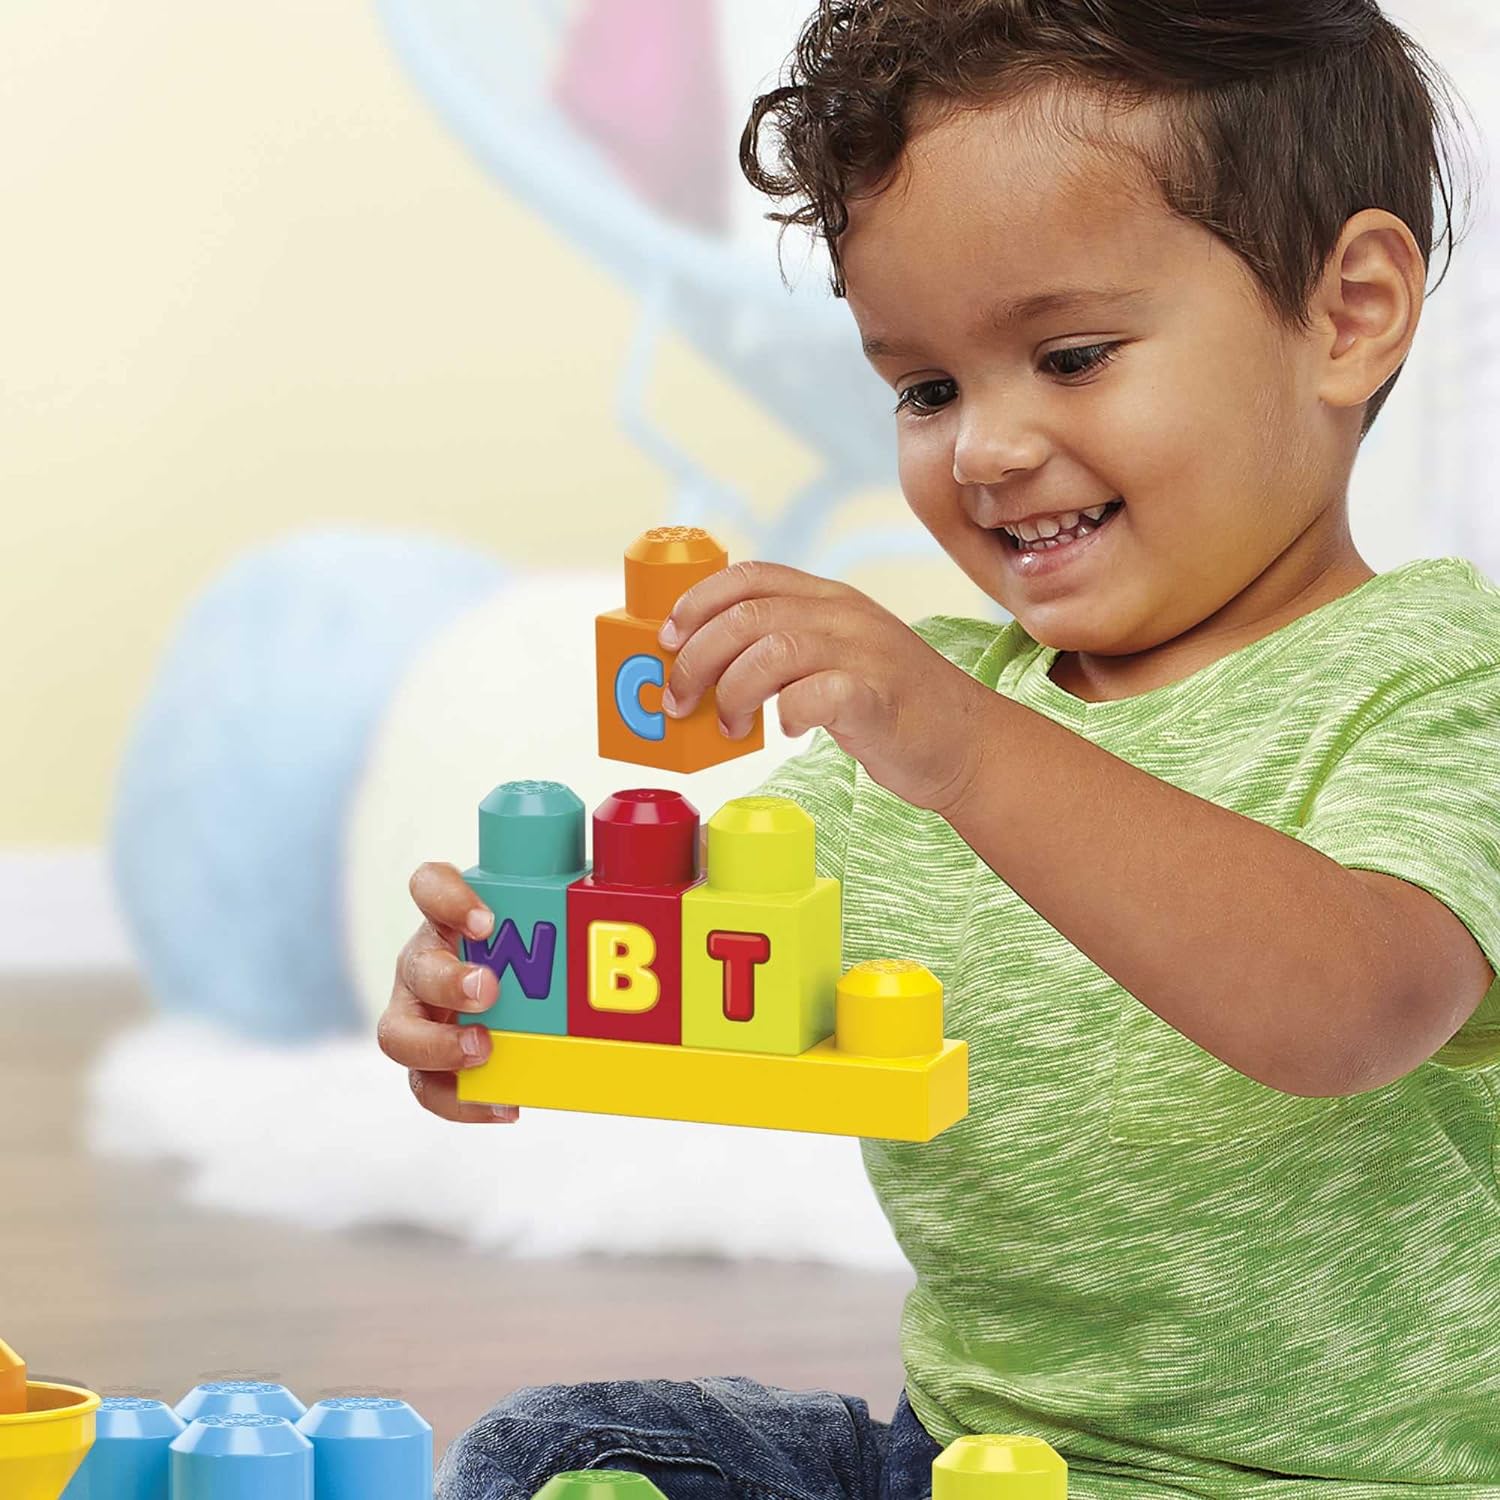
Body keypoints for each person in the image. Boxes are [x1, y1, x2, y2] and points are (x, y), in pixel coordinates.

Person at [378, 1, 1500, 1494]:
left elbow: (1351, 1010)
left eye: (1073, 355)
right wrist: (499, 986)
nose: (982, 448)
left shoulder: (1435, 682)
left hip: (1331, 1482)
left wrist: (966, 746)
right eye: (926, 389)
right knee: (558, 1450)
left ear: (1348, 314)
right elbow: (689, 960)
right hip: (964, 1457)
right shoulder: (918, 732)